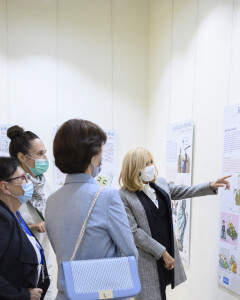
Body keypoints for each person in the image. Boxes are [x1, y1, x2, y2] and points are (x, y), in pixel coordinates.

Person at [119, 147, 231, 300]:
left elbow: (185, 191)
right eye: (146, 164)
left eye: (152, 162)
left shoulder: (160, 183)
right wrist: (163, 253)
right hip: (148, 259)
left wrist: (210, 185)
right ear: (134, 168)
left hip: (168, 254)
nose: (151, 166)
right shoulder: (124, 195)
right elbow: (134, 232)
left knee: (162, 293)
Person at [45, 119, 138, 300]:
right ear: (93, 156)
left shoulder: (52, 201)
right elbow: (130, 254)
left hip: (67, 295)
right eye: (101, 151)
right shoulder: (107, 196)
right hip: (102, 294)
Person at [7, 125, 54, 300]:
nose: (45, 158)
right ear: (22, 157)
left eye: (45, 152)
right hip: (20, 267)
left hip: (44, 261)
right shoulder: (8, 186)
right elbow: (6, 224)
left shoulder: (45, 183)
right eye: (40, 154)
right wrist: (33, 226)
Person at [0, 157, 50, 300]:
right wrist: (22, 294)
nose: (28, 183)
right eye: (22, 178)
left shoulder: (15, 214)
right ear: (5, 187)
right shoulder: (2, 218)